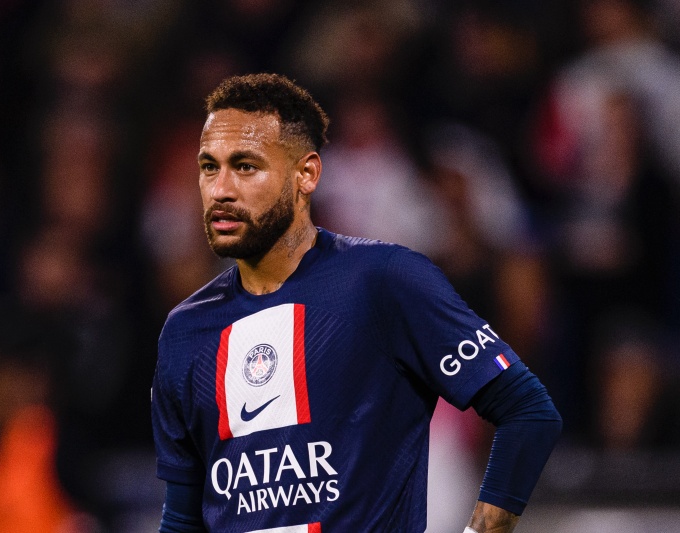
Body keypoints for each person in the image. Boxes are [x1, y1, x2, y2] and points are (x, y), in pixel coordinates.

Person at [151, 73, 562, 533]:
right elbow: (182, 516)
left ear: (306, 174)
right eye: (209, 167)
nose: (221, 189)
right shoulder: (185, 330)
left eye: (246, 166)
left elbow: (528, 411)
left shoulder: (385, 279)